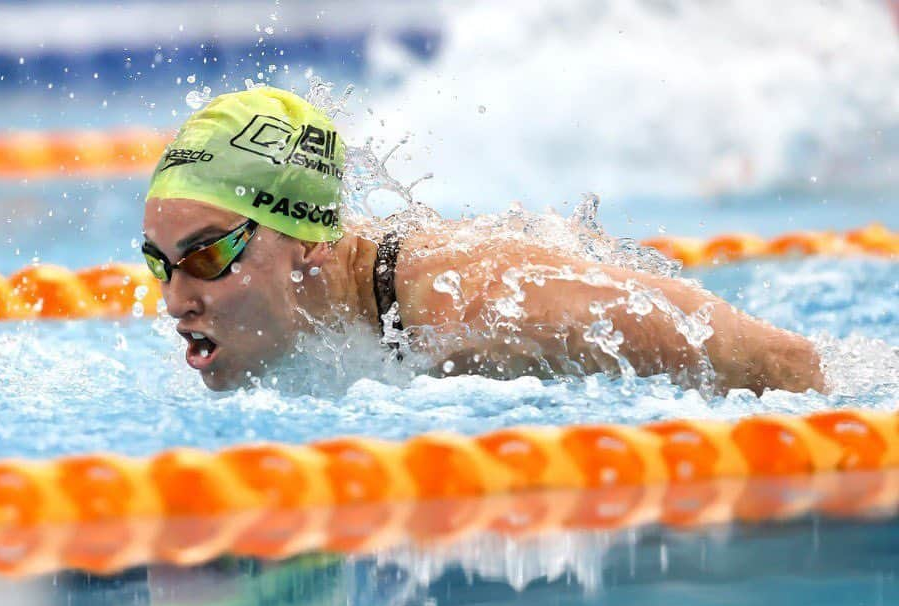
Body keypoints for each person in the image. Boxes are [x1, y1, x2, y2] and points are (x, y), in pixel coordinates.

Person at [141, 87, 825, 394]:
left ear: (310, 241)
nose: (176, 301)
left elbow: (781, 361)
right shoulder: (332, 315)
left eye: (207, 256)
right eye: (161, 264)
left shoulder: (477, 307)